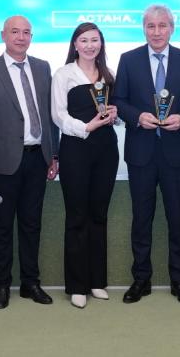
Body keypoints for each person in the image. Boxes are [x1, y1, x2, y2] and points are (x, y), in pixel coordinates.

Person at [113, 5, 180, 305]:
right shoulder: (128, 59)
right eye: (151, 26)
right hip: (140, 153)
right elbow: (118, 100)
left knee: (177, 219)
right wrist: (136, 116)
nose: (156, 32)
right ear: (144, 29)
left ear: (172, 28)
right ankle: (141, 279)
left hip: (176, 153)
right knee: (141, 219)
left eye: (162, 25)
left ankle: (179, 280)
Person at [0, 16, 59, 310]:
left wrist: (54, 154)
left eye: (26, 32)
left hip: (38, 159)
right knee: (2, 228)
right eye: (14, 32)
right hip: (3, 164)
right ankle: (2, 285)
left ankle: (30, 283)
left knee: (31, 225)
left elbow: (49, 116)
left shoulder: (43, 67)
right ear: (3, 35)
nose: (21, 37)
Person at [51, 22, 119, 309]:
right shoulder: (63, 74)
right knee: (77, 216)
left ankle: (97, 281)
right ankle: (77, 285)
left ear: (101, 44)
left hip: (106, 150)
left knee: (99, 215)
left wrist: (114, 113)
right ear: (75, 44)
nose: (90, 45)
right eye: (84, 40)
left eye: (95, 40)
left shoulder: (109, 74)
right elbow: (58, 115)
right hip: (75, 149)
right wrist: (86, 127)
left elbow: (116, 113)